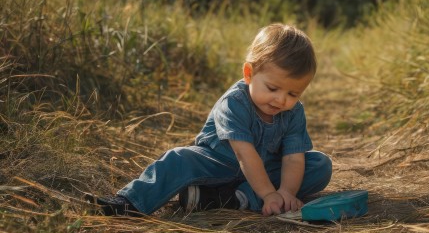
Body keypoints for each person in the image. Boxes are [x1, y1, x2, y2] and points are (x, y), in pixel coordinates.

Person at [94, 23, 332, 217]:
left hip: (265, 167)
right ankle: (129, 203)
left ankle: (228, 198)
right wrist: (270, 195)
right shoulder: (234, 103)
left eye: (293, 94)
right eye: (273, 88)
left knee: (319, 165)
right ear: (249, 74)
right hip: (217, 163)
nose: (281, 100)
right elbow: (244, 155)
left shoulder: (293, 112)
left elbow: (292, 158)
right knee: (178, 158)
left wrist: (287, 191)